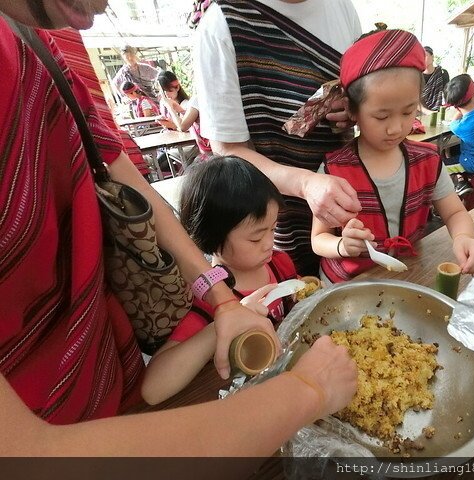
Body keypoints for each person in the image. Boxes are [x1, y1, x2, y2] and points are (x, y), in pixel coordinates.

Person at [0, 0, 357, 458]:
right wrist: (305, 390)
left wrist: (221, 298)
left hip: (102, 377)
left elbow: (129, 182)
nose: (108, 5)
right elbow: (29, 454)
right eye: (256, 235)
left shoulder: (42, 44)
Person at [192, 0, 363, 276]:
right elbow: (228, 149)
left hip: (343, 196)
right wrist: (306, 184)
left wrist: (355, 106)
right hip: (277, 213)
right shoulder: (222, 23)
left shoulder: (342, 7)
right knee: (291, 284)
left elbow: (360, 88)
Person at [310, 30, 474, 284]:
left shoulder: (427, 161)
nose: (396, 128)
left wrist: (464, 238)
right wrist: (341, 245)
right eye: (382, 116)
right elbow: (318, 239)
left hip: (404, 277)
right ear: (352, 110)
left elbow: (454, 213)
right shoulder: (334, 170)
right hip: (347, 286)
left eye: (408, 112)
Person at [142, 156, 306, 405]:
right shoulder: (208, 301)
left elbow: (298, 295)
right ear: (212, 238)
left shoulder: (280, 264)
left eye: (272, 229)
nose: (269, 243)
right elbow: (153, 391)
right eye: (255, 238)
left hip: (293, 384)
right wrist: (219, 324)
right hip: (247, 403)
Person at [156, 70, 212, 154]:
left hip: (200, 146)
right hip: (206, 145)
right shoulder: (206, 98)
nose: (166, 95)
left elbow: (182, 127)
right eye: (163, 92)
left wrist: (171, 108)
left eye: (168, 90)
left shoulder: (194, 101)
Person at [420, 45, 449, 111]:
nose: (423, 59)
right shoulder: (417, 76)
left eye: (425, 56)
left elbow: (447, 93)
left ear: (432, 56)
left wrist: (447, 106)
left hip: (437, 110)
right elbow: (414, 99)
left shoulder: (442, 73)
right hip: (420, 112)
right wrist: (427, 111)